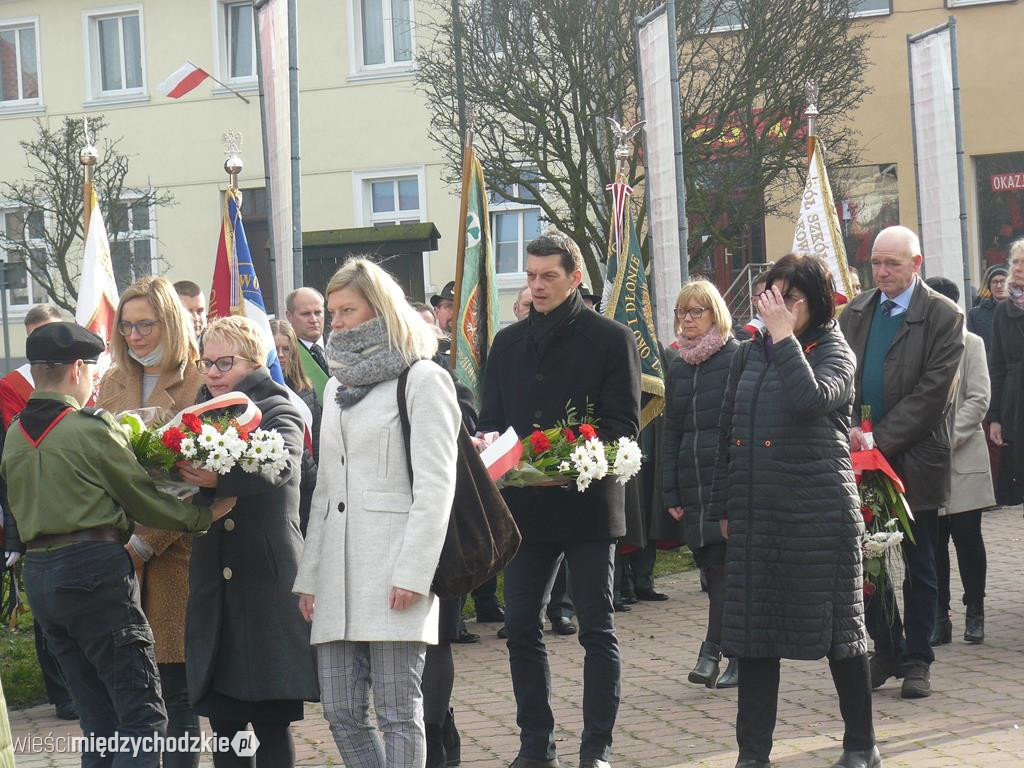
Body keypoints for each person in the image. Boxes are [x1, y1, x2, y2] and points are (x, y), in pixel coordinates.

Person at [1, 322, 232, 768]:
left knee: (98, 722)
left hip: (42, 578)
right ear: (75, 370)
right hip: (94, 572)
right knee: (142, 716)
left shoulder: (13, 433)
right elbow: (142, 497)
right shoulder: (88, 428)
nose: (92, 379)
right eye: (91, 369)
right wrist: (202, 515)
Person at [709, 254, 880, 768]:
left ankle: (860, 746)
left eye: (790, 298)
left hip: (818, 520)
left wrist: (783, 339)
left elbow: (810, 400)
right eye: (770, 297)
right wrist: (724, 502)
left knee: (840, 636)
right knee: (754, 636)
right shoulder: (748, 353)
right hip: (758, 517)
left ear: (817, 301)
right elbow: (727, 431)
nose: (777, 308)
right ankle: (753, 755)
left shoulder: (836, 351)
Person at [479, 229, 641, 768]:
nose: (537, 285)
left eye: (549, 276)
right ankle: (536, 745)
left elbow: (622, 426)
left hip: (589, 506)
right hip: (525, 510)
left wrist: (569, 462)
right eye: (530, 275)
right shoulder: (507, 343)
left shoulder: (610, 338)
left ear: (575, 279)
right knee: (521, 626)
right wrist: (495, 454)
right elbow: (492, 425)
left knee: (597, 628)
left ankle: (596, 749)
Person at [293, 258, 460, 768]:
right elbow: (324, 490)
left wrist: (415, 571)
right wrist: (311, 575)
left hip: (394, 569)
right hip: (337, 575)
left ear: (380, 310)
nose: (335, 321)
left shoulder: (423, 378)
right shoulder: (337, 387)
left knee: (397, 710)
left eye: (347, 310)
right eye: (333, 311)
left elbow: (436, 485)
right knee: (340, 709)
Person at [180, 316, 318, 768]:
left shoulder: (280, 406)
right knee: (223, 722)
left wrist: (217, 477)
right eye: (207, 362)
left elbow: (279, 466)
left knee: (268, 719)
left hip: (265, 581)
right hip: (214, 582)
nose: (213, 373)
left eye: (225, 362)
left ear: (256, 361)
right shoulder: (199, 409)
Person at [839, 225, 964, 700]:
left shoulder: (943, 315)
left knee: (920, 561)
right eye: (876, 262)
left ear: (917, 264)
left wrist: (877, 439)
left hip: (913, 459)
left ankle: (917, 658)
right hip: (859, 457)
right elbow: (842, 374)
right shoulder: (855, 310)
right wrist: (850, 428)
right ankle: (885, 648)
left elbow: (933, 395)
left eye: (893, 263)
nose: (883, 272)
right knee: (865, 557)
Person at [98, 277, 206, 768]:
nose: (136, 337)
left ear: (172, 323)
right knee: (132, 693)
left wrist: (146, 544)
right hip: (116, 548)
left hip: (174, 552)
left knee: (174, 693)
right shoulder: (112, 380)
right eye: (127, 327)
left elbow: (196, 480)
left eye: (146, 325)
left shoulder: (198, 380)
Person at [661, 280, 740, 690]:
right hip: (691, 485)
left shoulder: (735, 356)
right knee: (713, 571)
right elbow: (671, 431)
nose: (687, 320)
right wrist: (670, 490)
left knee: (727, 569)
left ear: (715, 314)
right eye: (682, 312)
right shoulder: (677, 364)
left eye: (696, 312)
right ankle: (738, 652)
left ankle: (713, 651)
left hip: (725, 481)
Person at [0, 304, 76, 722]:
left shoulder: (84, 380)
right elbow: (7, 468)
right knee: (50, 616)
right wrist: (13, 532)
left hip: (82, 513)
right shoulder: (9, 390)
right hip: (35, 516)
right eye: (37, 337)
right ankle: (63, 694)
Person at [923, 277, 993, 647]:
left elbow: (978, 399)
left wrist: (945, 438)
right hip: (927, 465)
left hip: (962, 459)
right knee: (934, 544)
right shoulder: (922, 345)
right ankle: (939, 615)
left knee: (968, 540)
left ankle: (975, 610)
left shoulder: (973, 344)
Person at [270, 318, 322, 537]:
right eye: (275, 349)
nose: (281, 355)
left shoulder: (306, 389)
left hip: (309, 486)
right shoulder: (262, 392)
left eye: (286, 349)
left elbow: (318, 438)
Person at [987, 238, 1024, 506]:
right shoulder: (1004, 311)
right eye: (1016, 262)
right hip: (1017, 406)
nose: (1019, 268)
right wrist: (995, 418)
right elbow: (996, 367)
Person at [286, 287, 330, 404]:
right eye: (306, 314)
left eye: (318, 312)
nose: (314, 319)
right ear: (289, 316)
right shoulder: (284, 356)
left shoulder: (342, 346)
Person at [967, 264, 1007, 354]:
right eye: (995, 282)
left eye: (1003, 281)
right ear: (989, 286)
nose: (999, 286)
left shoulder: (1019, 311)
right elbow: (972, 346)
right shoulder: (975, 314)